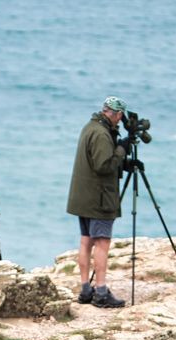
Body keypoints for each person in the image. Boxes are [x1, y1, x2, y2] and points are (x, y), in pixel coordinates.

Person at [66, 95, 129, 309]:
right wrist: (121, 149)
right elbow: (103, 165)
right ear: (117, 114)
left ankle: (86, 288)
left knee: (86, 241)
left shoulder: (90, 127)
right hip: (98, 199)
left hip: (83, 197)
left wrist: (121, 159)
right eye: (120, 117)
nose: (121, 121)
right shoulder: (102, 134)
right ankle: (101, 292)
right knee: (101, 243)